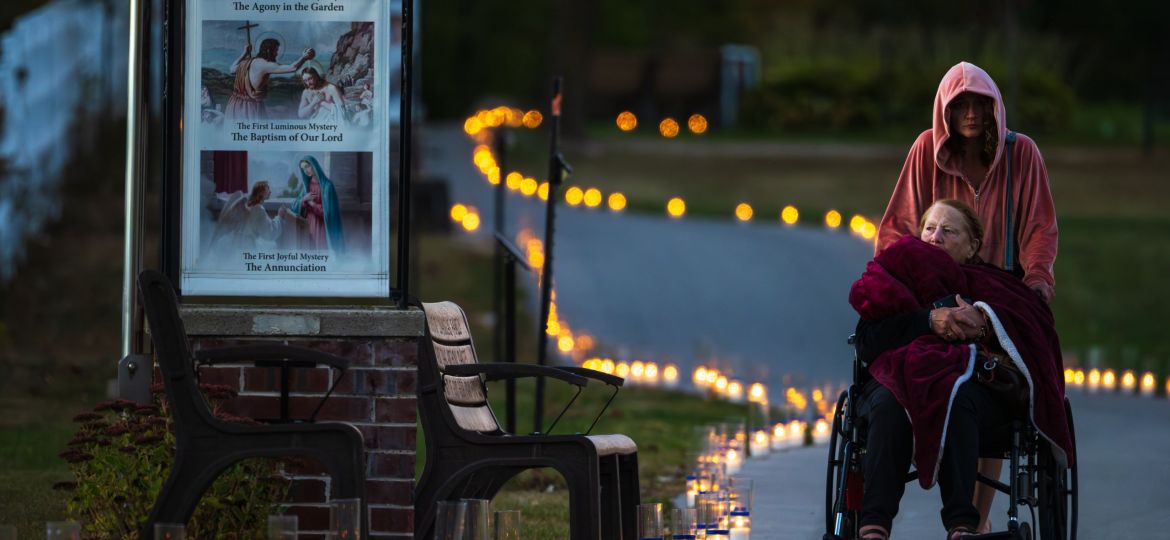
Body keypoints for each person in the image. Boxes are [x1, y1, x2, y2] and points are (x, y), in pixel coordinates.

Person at [849, 200, 1073, 540]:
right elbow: (868, 341)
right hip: (897, 377)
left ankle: (961, 525)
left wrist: (983, 325)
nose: (935, 236)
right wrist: (928, 321)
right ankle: (873, 526)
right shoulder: (891, 276)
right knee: (888, 406)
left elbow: (1030, 336)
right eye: (929, 227)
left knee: (957, 397)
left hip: (975, 383)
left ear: (972, 248)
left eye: (949, 231)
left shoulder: (997, 287)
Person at [876, 61, 1058, 305]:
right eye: (960, 105)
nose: (971, 114)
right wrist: (886, 277)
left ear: (993, 106)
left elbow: (1040, 227)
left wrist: (1037, 277)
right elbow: (900, 223)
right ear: (945, 109)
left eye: (980, 103)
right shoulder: (926, 148)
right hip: (936, 283)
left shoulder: (1021, 152)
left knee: (1033, 340)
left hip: (1004, 284)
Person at [226, 38, 316, 120]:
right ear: (269, 50)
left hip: (234, 105)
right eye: (276, 50)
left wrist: (244, 53)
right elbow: (292, 68)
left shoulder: (246, 62)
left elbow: (231, 69)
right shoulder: (266, 65)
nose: (277, 53)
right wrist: (304, 57)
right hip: (250, 107)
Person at [209, 181, 294, 255]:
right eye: (267, 189)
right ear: (261, 192)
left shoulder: (249, 206)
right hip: (248, 247)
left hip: (239, 244)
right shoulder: (258, 209)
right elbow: (269, 233)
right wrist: (279, 216)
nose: (270, 191)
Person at [290, 156, 345, 253]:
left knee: (321, 251)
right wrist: (304, 199)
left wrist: (312, 203)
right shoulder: (307, 186)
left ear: (314, 165)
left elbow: (328, 214)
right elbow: (294, 206)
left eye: (307, 166)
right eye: (303, 169)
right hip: (309, 224)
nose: (306, 171)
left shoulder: (327, 186)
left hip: (322, 227)